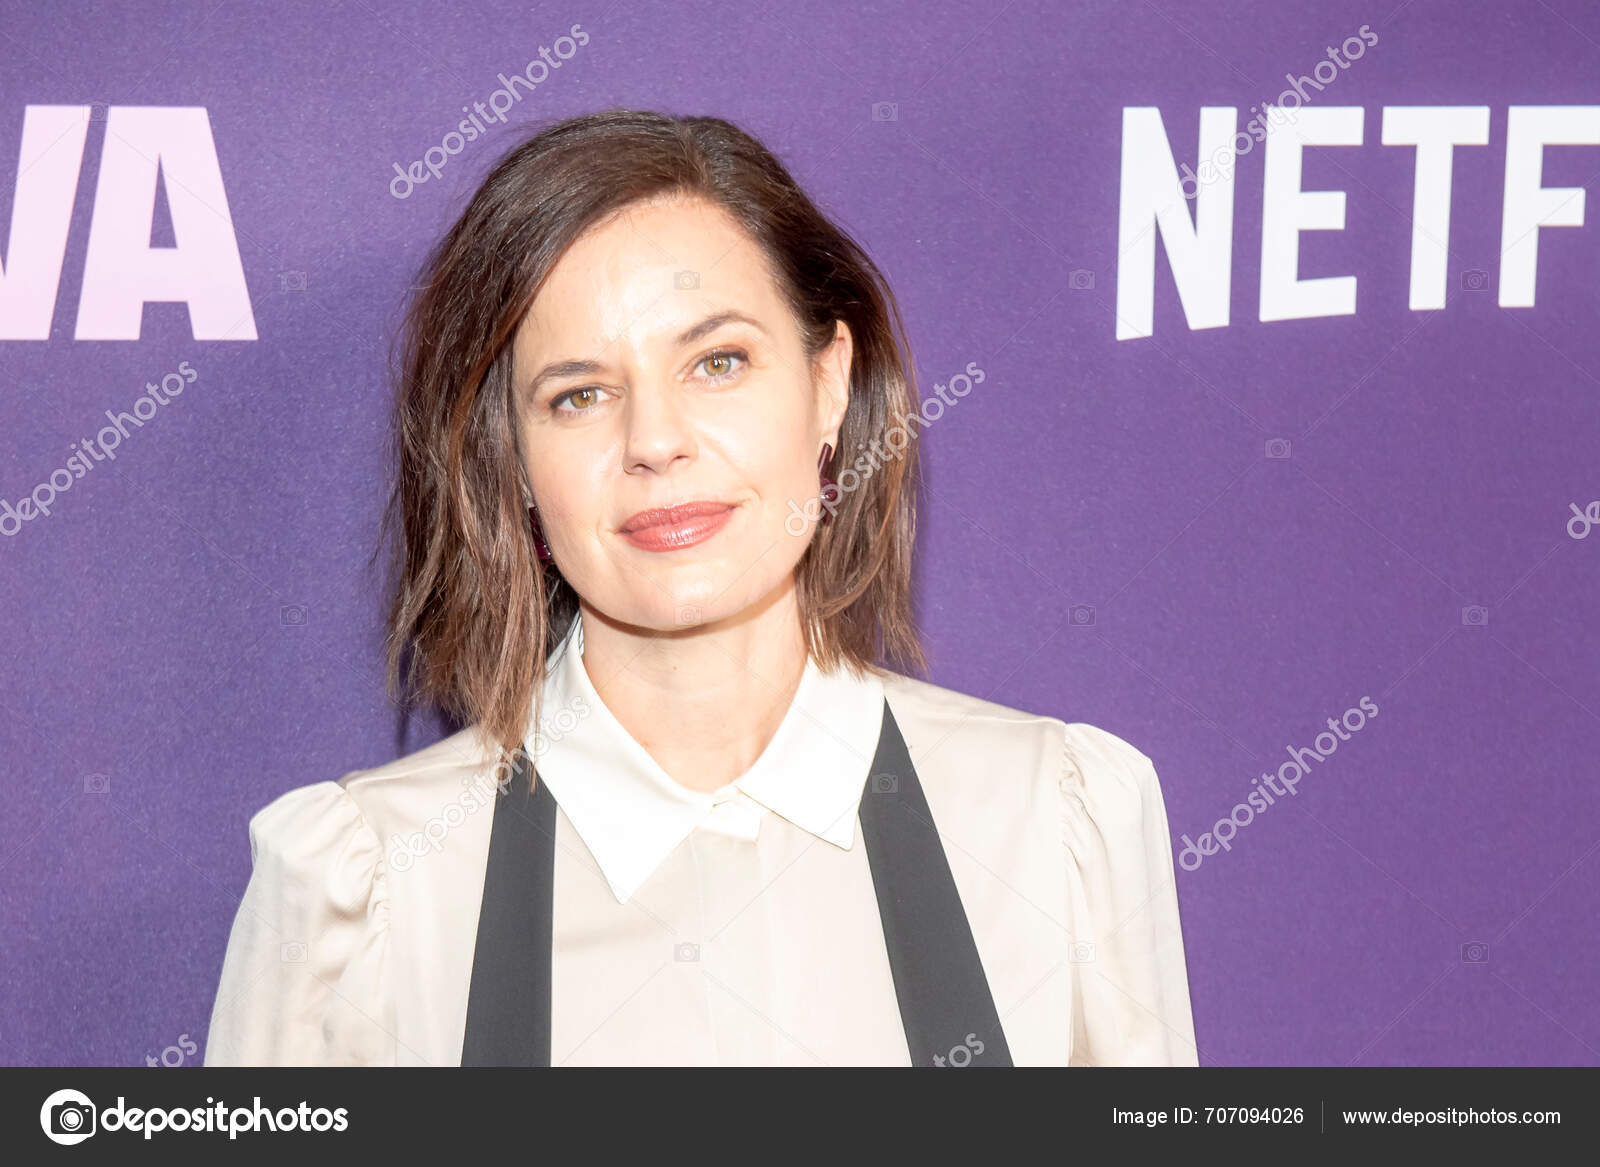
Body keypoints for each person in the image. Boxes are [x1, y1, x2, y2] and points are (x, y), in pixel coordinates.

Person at [203, 109, 1197, 1067]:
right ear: (510, 459)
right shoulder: (361, 889)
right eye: (578, 394)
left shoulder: (1057, 820)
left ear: (831, 384)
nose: (654, 441)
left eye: (717, 362)